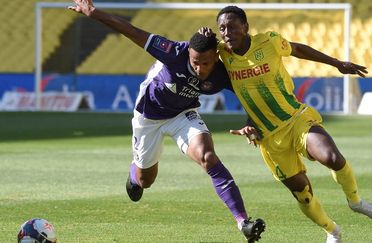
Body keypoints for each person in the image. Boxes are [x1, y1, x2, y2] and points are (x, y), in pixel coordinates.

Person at [68, 1, 265, 242]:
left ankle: (242, 222)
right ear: (189, 55)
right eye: (195, 62)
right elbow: (132, 31)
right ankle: (134, 173)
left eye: (206, 63)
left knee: (208, 157)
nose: (200, 69)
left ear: (215, 57)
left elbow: (247, 95)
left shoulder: (221, 73)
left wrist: (250, 121)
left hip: (184, 114)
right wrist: (94, 12)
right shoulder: (173, 52)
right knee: (144, 181)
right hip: (148, 117)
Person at [207, 5, 372, 243]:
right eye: (222, 28)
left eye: (232, 26)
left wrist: (336, 63)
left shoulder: (269, 41)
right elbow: (194, 51)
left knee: (332, 157)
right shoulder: (222, 54)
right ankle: (332, 231)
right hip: (269, 138)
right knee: (302, 193)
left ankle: (355, 201)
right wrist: (202, 35)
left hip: (295, 118)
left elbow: (298, 49)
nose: (226, 32)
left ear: (246, 27)